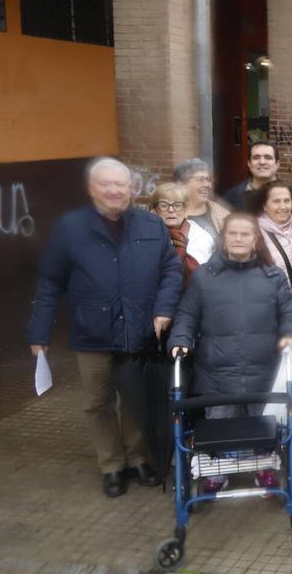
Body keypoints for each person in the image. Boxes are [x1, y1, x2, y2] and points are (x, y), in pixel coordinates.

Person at [26, 157, 182, 497]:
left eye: (120, 184)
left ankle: (138, 458)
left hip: (140, 329)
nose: (114, 191)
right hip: (91, 333)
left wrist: (163, 310)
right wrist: (40, 333)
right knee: (98, 402)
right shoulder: (70, 228)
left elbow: (171, 270)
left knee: (134, 398)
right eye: (105, 184)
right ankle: (111, 465)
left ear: (131, 189)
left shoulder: (150, 225)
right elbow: (51, 281)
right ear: (91, 188)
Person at [168, 213, 292, 492]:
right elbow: (187, 314)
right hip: (217, 370)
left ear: (255, 240)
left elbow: (289, 312)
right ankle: (217, 473)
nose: (239, 239)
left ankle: (264, 468)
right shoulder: (205, 276)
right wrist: (180, 339)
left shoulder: (272, 275)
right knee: (220, 425)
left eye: (245, 234)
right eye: (233, 234)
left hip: (263, 368)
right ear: (223, 238)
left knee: (263, 425)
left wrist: (290, 335)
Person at [149, 182, 213, 285]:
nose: (171, 210)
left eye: (177, 205)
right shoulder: (146, 236)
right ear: (154, 211)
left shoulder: (202, 237)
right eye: (163, 205)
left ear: (186, 211)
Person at [256, 180, 292, 290]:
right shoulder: (254, 233)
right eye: (276, 201)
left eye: (287, 201)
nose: (283, 207)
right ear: (265, 206)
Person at [222, 140, 292, 214]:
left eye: (268, 157)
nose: (262, 162)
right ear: (249, 164)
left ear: (277, 164)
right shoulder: (230, 198)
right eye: (256, 158)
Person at [173, 158, 229, 238]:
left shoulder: (222, 215)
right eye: (200, 180)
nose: (207, 185)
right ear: (181, 184)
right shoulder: (165, 212)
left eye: (209, 180)